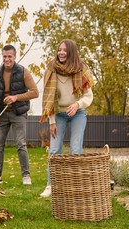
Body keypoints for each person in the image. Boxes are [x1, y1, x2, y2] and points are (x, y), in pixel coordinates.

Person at [40, 39, 95, 198]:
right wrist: (52, 121)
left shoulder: (81, 69)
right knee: (55, 149)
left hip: (77, 113)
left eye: (65, 50)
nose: (61, 53)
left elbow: (88, 96)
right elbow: (48, 99)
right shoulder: (51, 69)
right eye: (59, 50)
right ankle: (51, 185)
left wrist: (78, 105)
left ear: (71, 52)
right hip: (58, 114)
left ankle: (74, 184)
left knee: (75, 149)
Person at [0, 45, 39, 185]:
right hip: (1, 114)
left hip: (18, 113)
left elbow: (35, 92)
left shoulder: (23, 71)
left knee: (20, 144)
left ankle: (26, 175)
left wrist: (16, 97)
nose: (7, 59)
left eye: (10, 56)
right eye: (4, 56)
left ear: (14, 57)